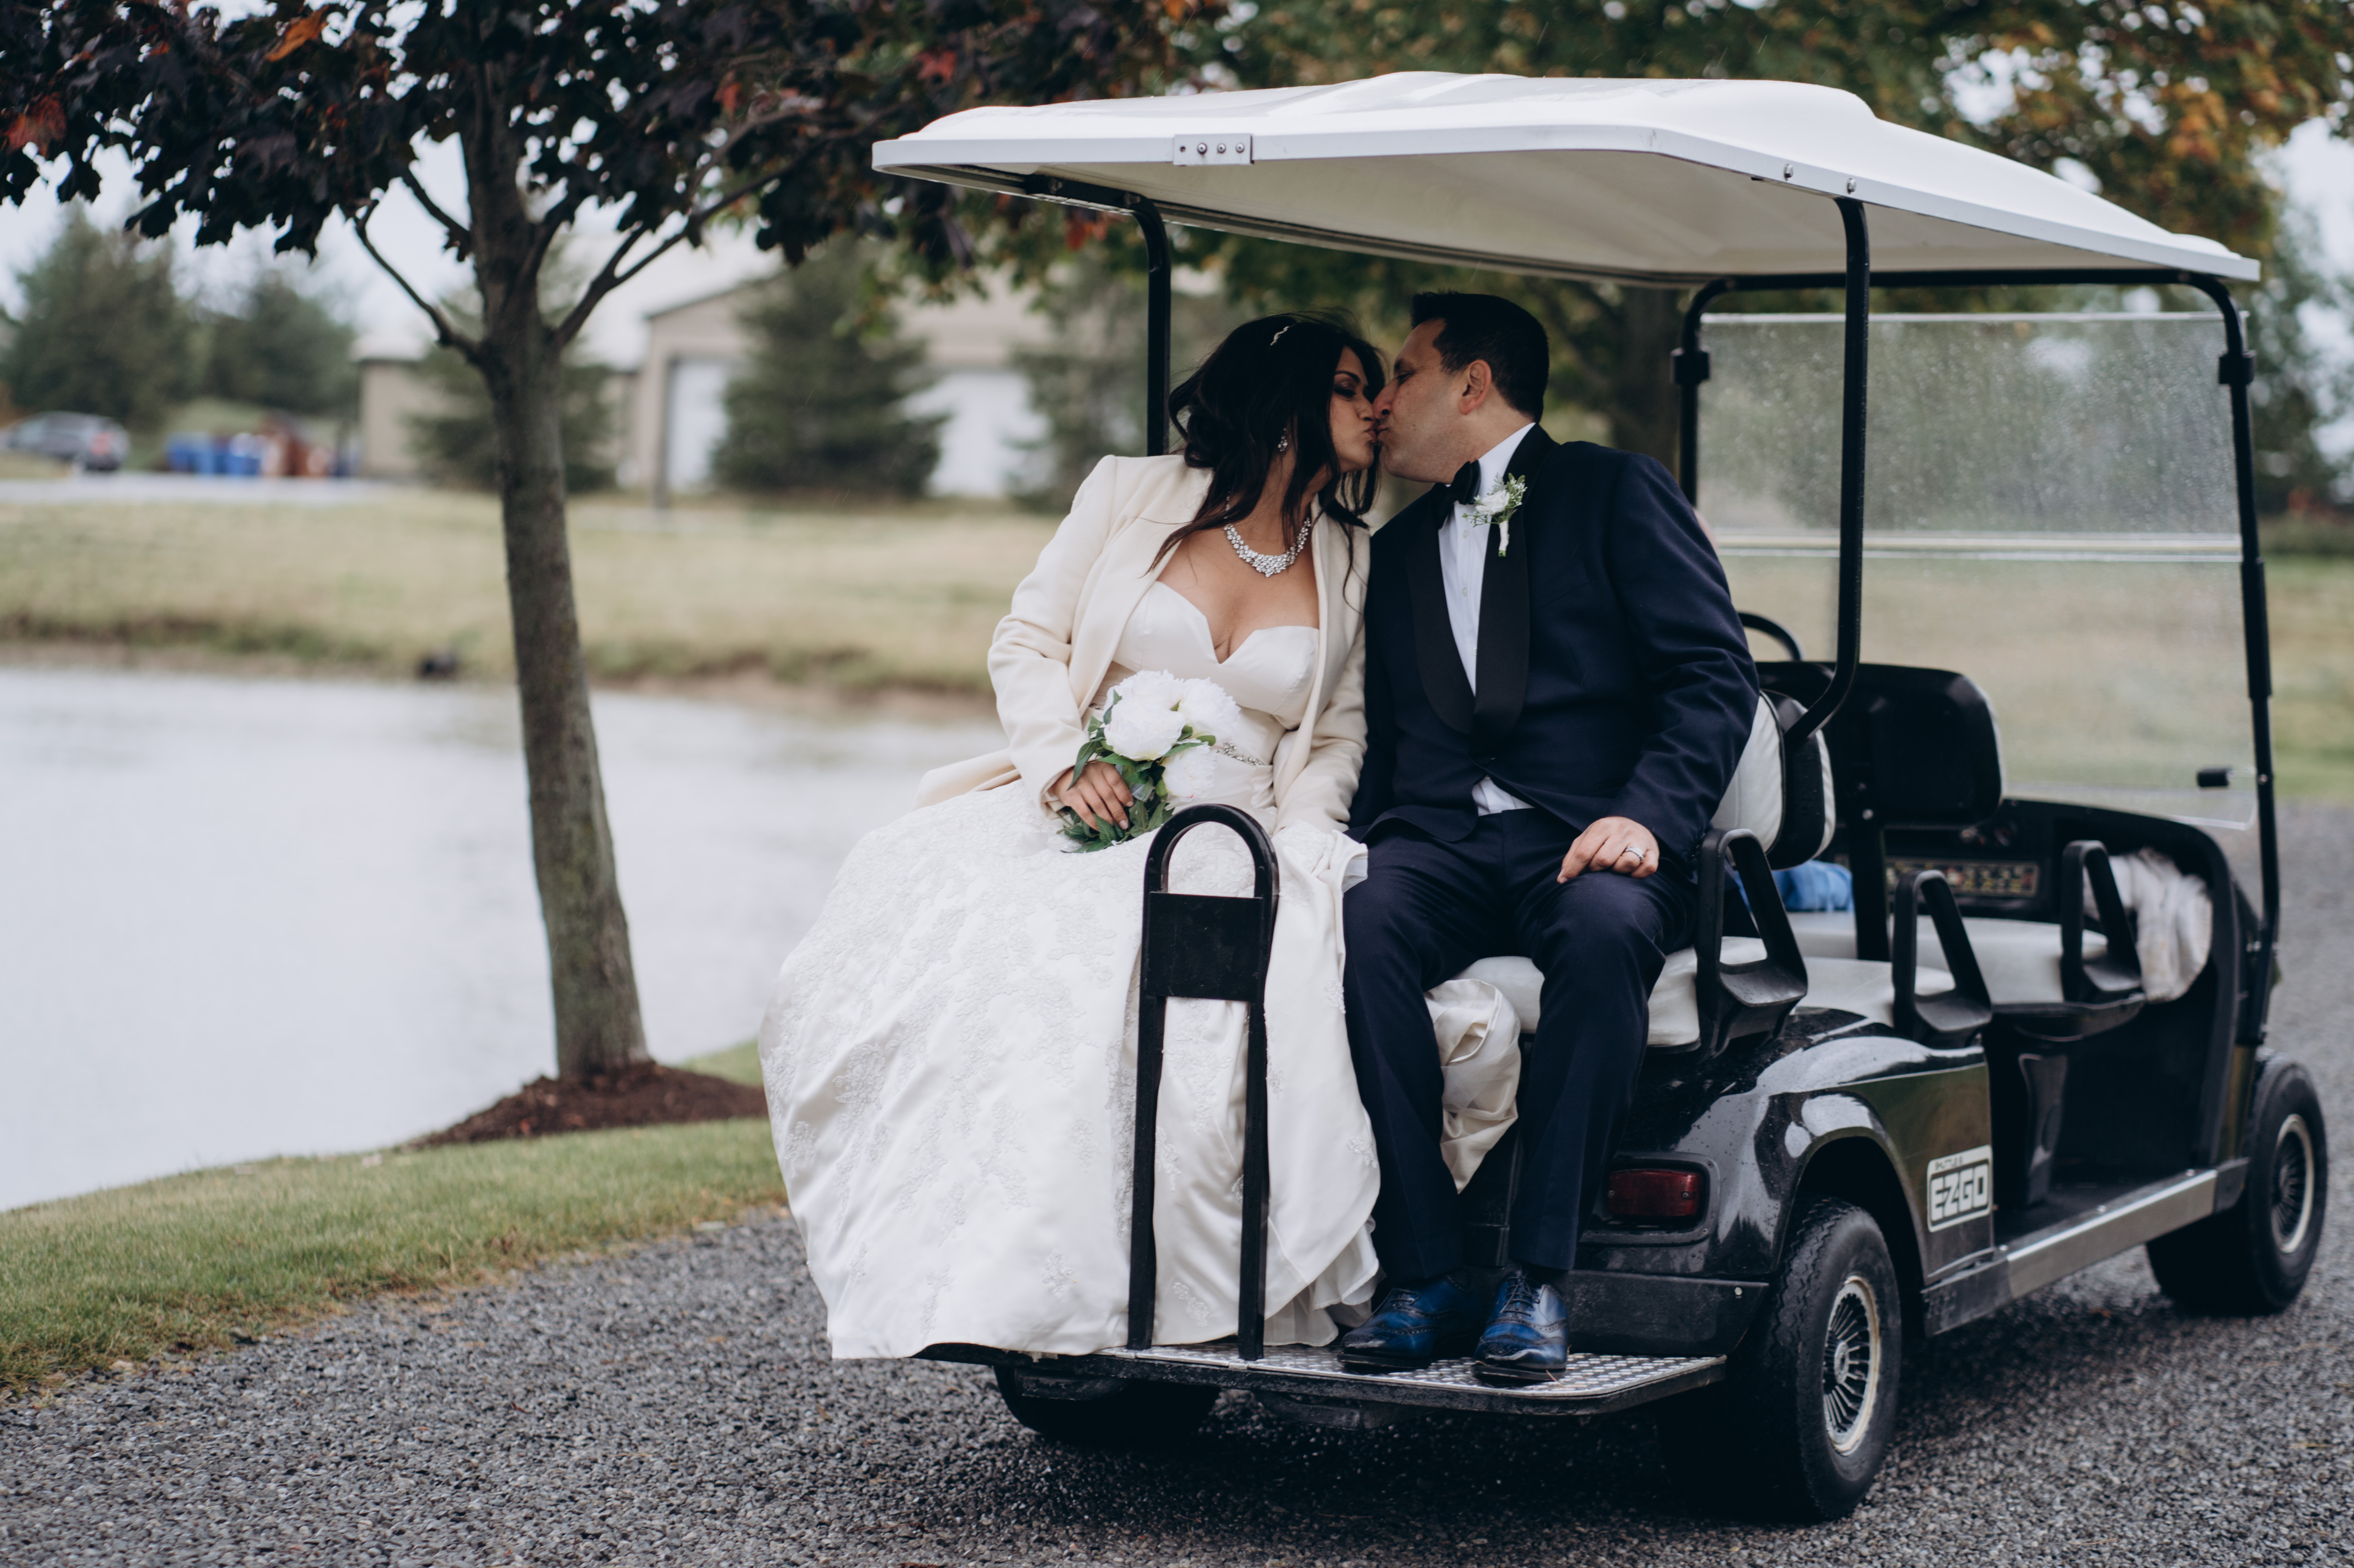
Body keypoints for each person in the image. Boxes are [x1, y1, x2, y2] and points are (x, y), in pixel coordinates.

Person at [758, 315, 1388, 1358]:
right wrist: (1063, 764)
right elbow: (1028, 638)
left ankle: (1185, 1289)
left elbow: (1336, 734)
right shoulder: (1129, 494)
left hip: (1245, 831)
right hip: (1091, 801)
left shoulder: (1350, 555)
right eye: (1351, 385)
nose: (1376, 406)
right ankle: (1006, 1280)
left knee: (1227, 1003)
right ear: (1285, 405)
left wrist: (1310, 836)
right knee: (1025, 971)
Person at [1338, 293, 1760, 1383]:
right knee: (1359, 920)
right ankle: (1424, 1271)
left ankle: (1538, 1278)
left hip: (1591, 837)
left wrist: (1647, 817)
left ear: (1471, 385)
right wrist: (1358, 840)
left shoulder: (1617, 492)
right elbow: (1389, 735)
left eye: (1405, 373)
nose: (1384, 399)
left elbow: (1713, 678)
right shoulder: (1399, 547)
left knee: (1605, 929)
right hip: (1439, 842)